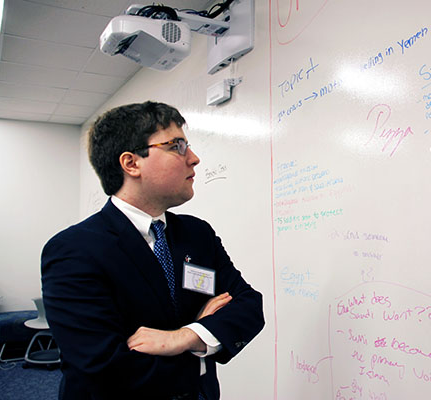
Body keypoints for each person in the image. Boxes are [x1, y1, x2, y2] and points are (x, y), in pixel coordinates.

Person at [41, 101, 265, 400]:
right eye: (177, 146)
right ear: (131, 163)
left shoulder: (197, 234)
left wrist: (185, 336)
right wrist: (202, 342)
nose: (194, 159)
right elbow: (105, 367)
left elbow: (248, 305)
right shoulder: (73, 250)